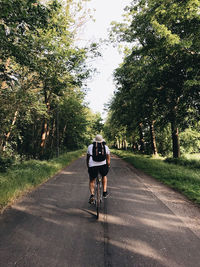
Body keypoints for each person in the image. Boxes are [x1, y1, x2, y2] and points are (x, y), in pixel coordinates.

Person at [86, 134, 111, 204]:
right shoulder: (105, 147)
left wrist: (88, 165)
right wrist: (108, 166)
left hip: (92, 166)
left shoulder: (90, 147)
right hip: (103, 165)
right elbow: (108, 159)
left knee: (92, 179)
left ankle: (92, 195)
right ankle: (104, 192)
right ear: (102, 140)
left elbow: (87, 158)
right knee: (104, 176)